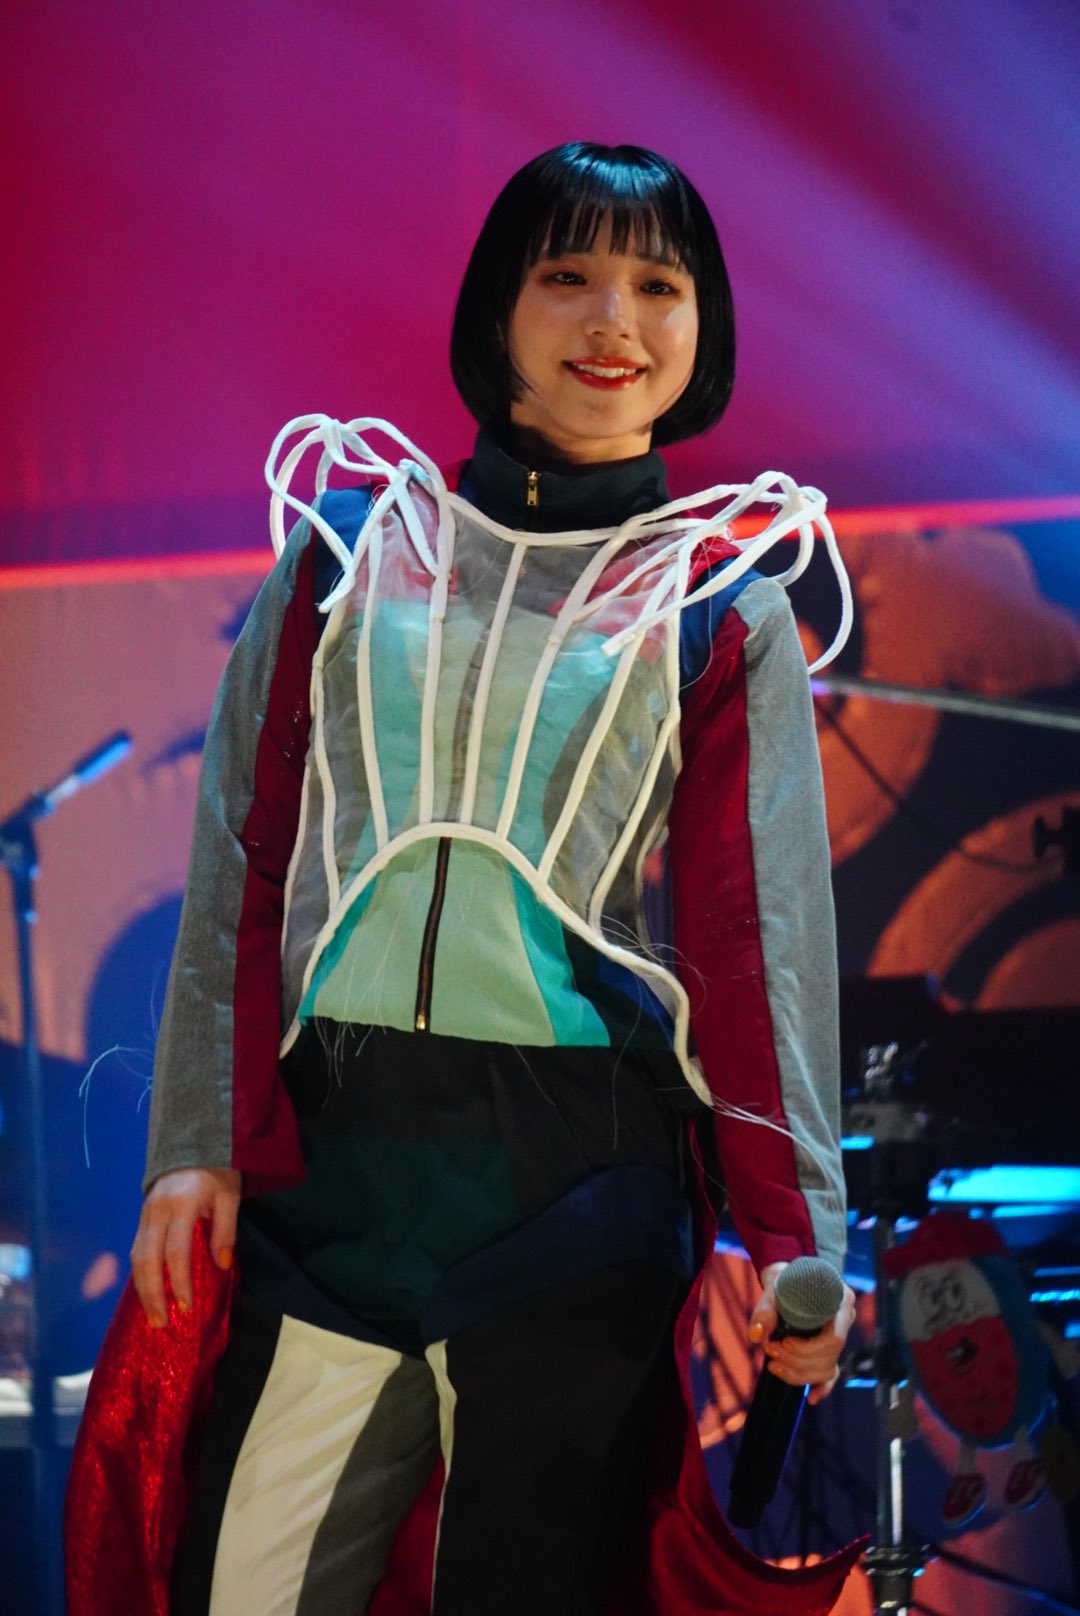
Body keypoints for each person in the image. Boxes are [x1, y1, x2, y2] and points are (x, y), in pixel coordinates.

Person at [66, 142, 860, 1615]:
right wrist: (195, 1140)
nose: (613, 320)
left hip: (578, 1186)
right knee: (241, 1585)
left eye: (659, 285)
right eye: (568, 275)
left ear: (704, 328)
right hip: (334, 1171)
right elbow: (240, 857)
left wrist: (796, 1233)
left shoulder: (717, 603)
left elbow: (760, 944)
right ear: (499, 309)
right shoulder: (348, 551)